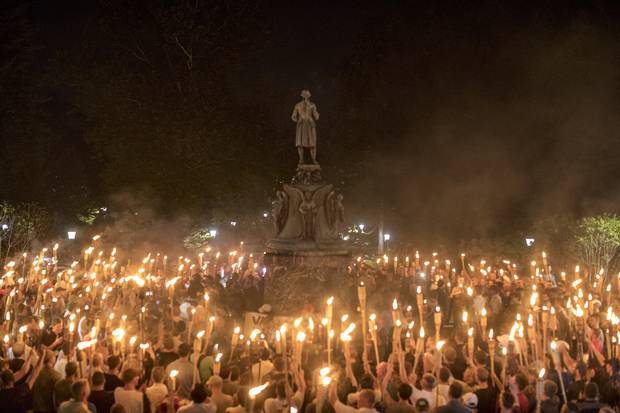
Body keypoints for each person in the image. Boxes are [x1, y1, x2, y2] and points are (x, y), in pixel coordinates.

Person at [0, 347, 45, 413]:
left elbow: (23, 371)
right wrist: (42, 356)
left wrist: (30, 356)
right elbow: (34, 374)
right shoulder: (19, 392)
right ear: (12, 381)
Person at [33, 349, 62, 413]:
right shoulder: (56, 376)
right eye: (54, 356)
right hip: (49, 408)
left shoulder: (36, 373)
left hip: (36, 407)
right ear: (51, 359)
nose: (55, 358)